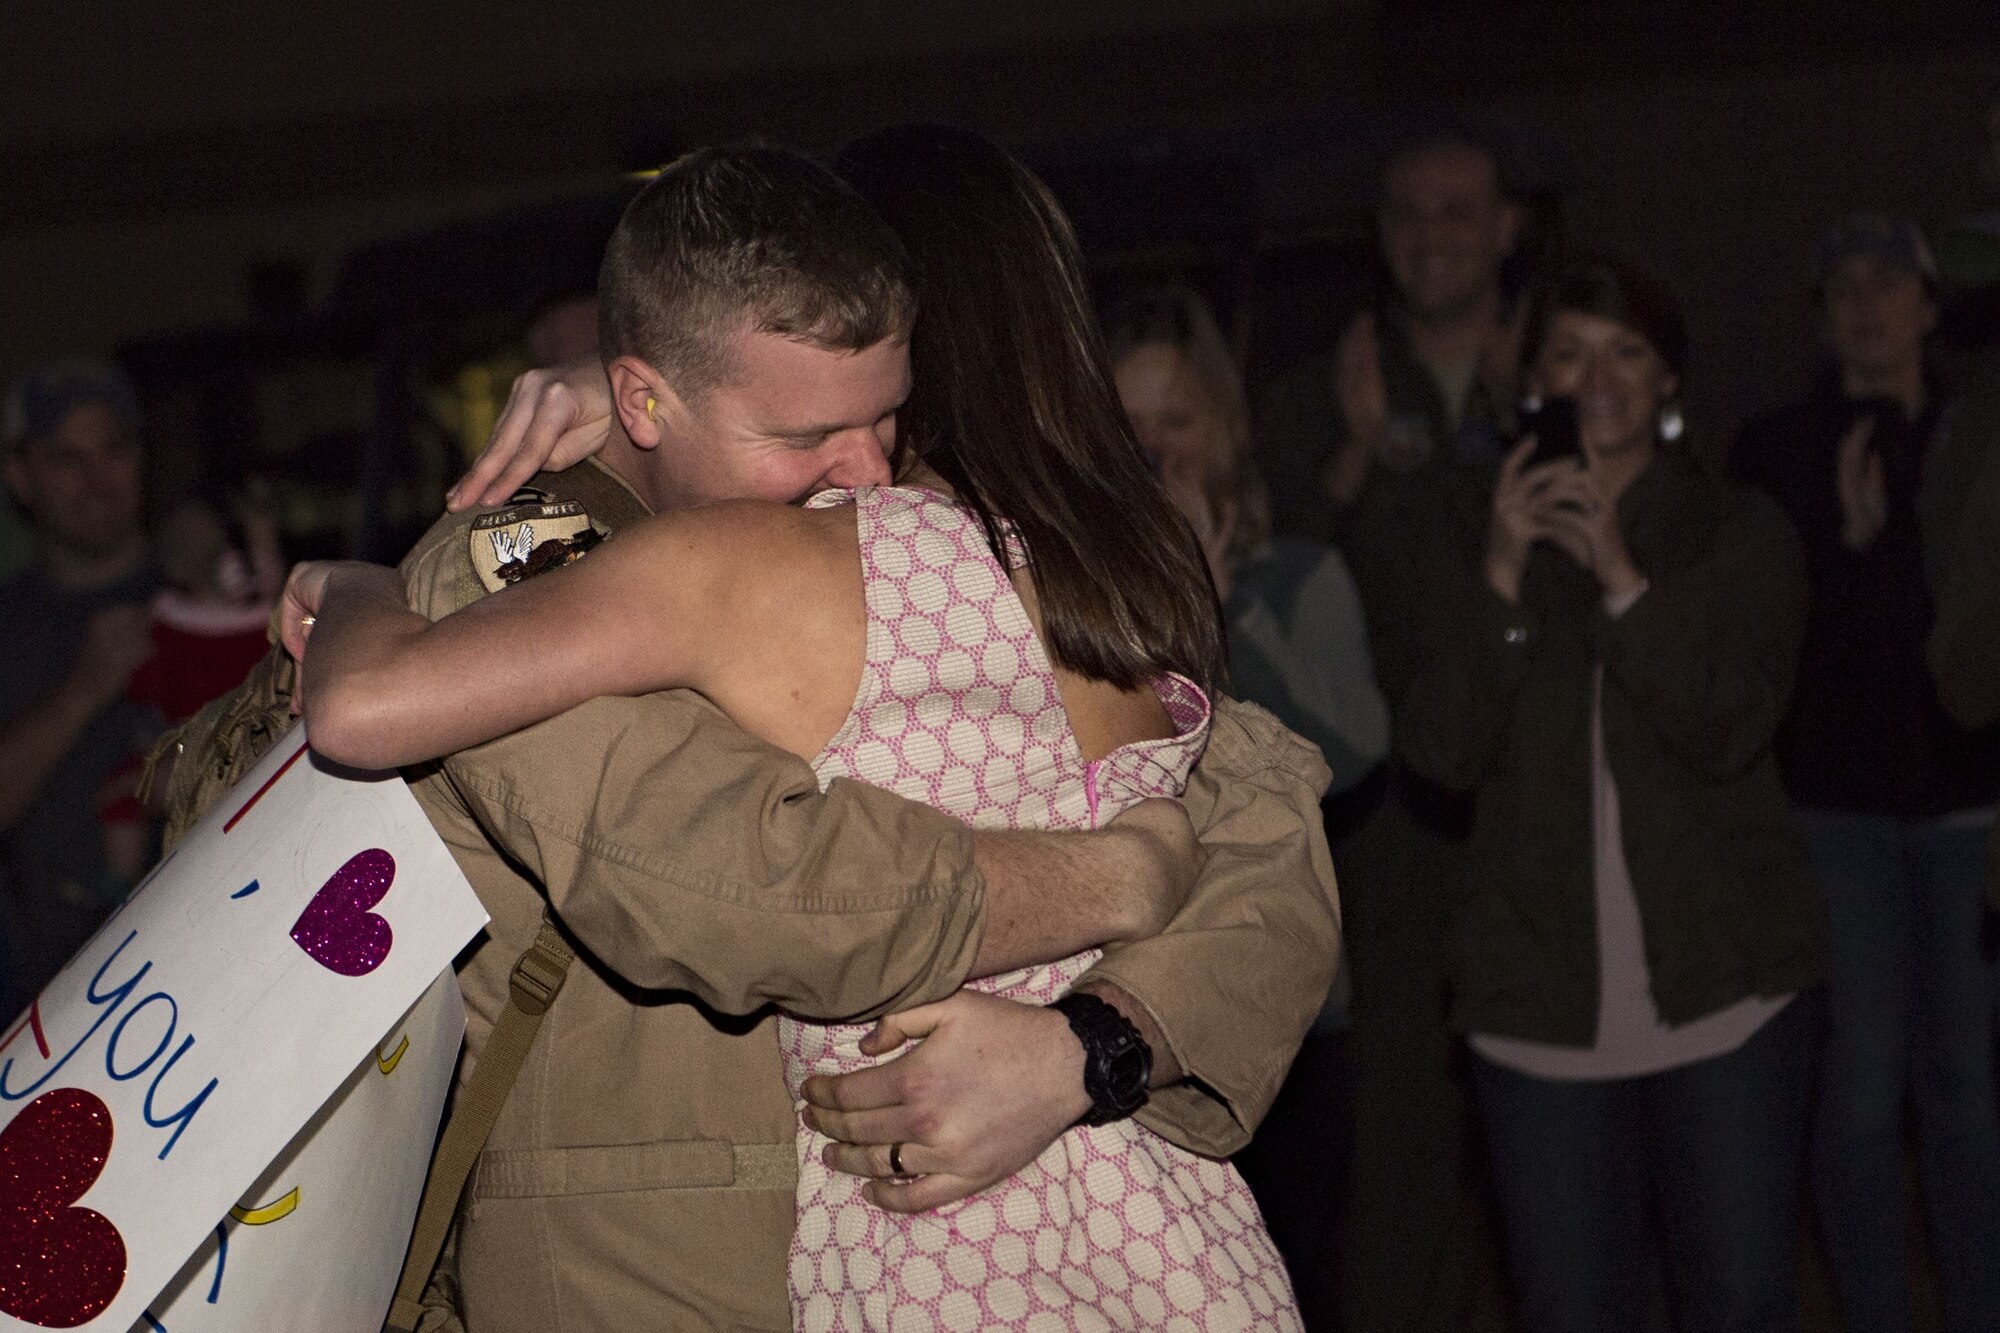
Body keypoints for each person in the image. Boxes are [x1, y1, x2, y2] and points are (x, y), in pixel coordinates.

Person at [151, 140, 1339, 1331]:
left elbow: (1269, 839)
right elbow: (742, 880)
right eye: (807, 418)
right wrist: (1114, 877)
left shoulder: (976, 578)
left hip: (947, 1255)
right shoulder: (532, 562)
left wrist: (1083, 1051)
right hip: (653, 1265)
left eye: (886, 406)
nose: (863, 469)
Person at [1403, 256, 1822, 1333]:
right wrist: (1502, 574)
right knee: (1572, 1308)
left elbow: (1729, 724)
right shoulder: (1467, 534)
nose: (1597, 375)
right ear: (1531, 380)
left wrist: (1621, 579)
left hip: (1724, 989)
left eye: (1625, 351)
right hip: (1535, 1010)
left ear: (1669, 383)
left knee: (1738, 1299)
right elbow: (1439, 756)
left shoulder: (1735, 530)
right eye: (1568, 351)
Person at [1255, 129, 1523, 1333]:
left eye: (1457, 211)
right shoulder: (1324, 388)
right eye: (1407, 212)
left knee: (1548, 1134)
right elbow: (1269, 562)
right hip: (1393, 824)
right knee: (1400, 1133)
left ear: (1504, 227)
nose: (1432, 235)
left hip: (1550, 800)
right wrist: (1356, 450)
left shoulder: (1565, 374)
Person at [1733, 213, 2000, 1333]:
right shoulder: (1777, 452)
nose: (1865, 302)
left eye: (1888, 282)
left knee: (1964, 1093)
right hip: (1834, 808)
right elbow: (1782, 645)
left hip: (1964, 804)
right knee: (1856, 1088)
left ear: (1929, 306)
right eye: (1841, 283)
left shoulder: (1975, 434)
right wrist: (1842, 539)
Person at [1107, 286, 1389, 794]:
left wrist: (1225, 614)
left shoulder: (1297, 576)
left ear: (1224, 428)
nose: (1153, 453)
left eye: (1175, 423)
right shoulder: (1070, 590)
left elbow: (1351, 754)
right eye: (1129, 428)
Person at [0, 358, 159, 1012]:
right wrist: (82, 689)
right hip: (53, 996)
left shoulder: (212, 594)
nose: (96, 479)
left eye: (112, 449)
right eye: (67, 458)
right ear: (21, 476)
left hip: (221, 960)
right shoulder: (9, 626)